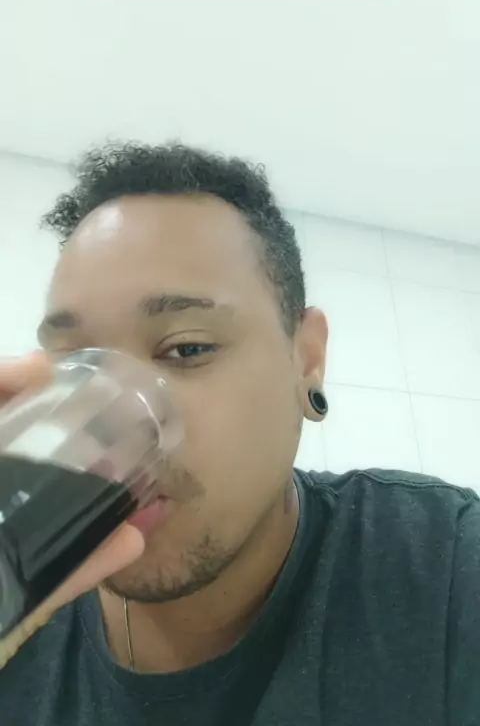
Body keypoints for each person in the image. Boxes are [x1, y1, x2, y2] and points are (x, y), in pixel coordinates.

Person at [0, 141, 478, 725]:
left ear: (306, 360)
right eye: (77, 363)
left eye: (187, 348)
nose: (106, 418)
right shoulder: (19, 596)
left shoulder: (444, 566)